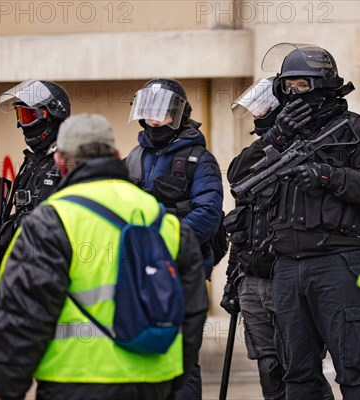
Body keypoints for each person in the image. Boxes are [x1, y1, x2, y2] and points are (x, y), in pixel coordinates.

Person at [0, 113, 208, 400]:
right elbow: (192, 310)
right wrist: (176, 376)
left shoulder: (50, 221)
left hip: (74, 382)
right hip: (154, 383)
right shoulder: (163, 219)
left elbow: (21, 312)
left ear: (60, 161)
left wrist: (9, 387)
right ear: (116, 156)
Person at [238, 43, 360, 399]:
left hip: (337, 263)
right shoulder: (282, 134)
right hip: (287, 269)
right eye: (287, 87)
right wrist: (276, 134)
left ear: (323, 85)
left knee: (352, 369)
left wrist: (328, 177)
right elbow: (239, 181)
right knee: (296, 373)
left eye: (301, 86)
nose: (293, 94)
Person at [222, 78, 335, 400]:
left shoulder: (305, 149)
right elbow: (239, 216)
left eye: (263, 110)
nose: (258, 117)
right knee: (268, 369)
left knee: (300, 370)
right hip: (252, 279)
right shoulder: (258, 153)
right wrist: (233, 281)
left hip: (286, 276)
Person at [124, 78, 223, 400]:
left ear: (177, 116)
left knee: (181, 356)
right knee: (139, 347)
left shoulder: (199, 159)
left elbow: (207, 216)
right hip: (138, 271)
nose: (154, 121)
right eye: (148, 113)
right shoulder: (134, 157)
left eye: (162, 114)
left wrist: (163, 247)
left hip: (180, 269)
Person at [0, 80, 70, 274]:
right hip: (22, 265)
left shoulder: (69, 162)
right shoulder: (33, 161)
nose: (21, 125)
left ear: (52, 115)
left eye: (28, 116)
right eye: (20, 116)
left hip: (49, 269)